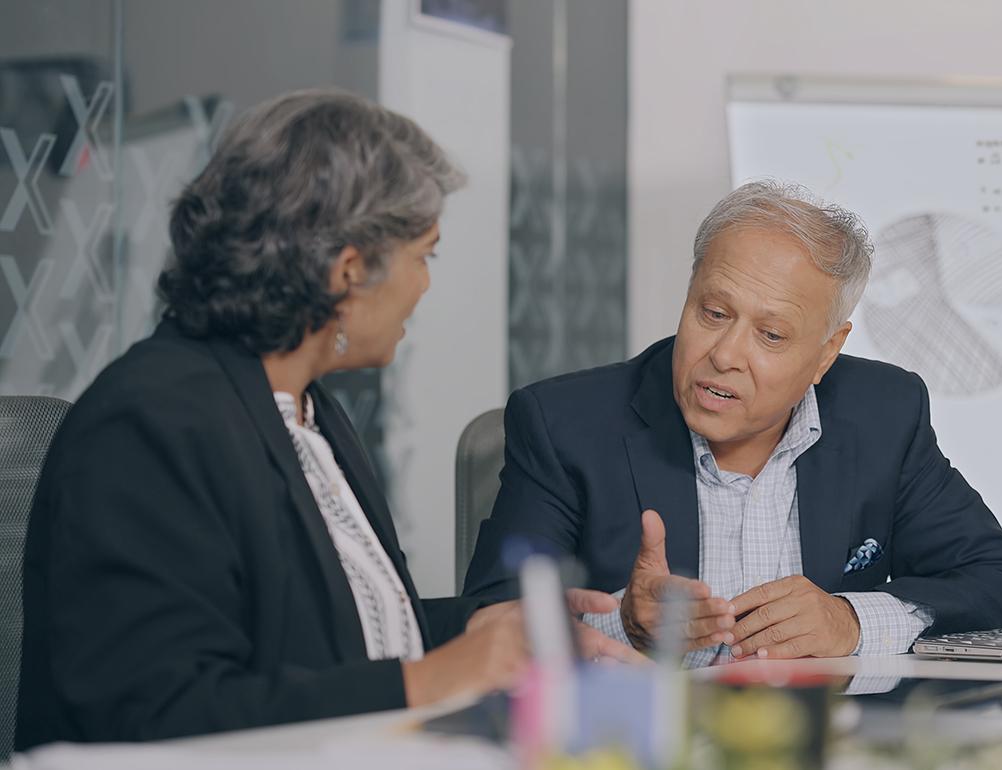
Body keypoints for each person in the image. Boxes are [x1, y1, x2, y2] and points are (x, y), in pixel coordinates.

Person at [15, 89, 635, 749]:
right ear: (348, 271)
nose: (426, 284)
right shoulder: (147, 425)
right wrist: (431, 680)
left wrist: (487, 626)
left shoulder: (308, 412)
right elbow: (158, 714)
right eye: (424, 255)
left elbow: (334, 640)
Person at [464, 181, 1002, 665]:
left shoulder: (883, 414)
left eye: (770, 335)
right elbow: (483, 624)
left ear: (826, 353)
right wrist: (624, 626)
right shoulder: (566, 424)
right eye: (713, 313)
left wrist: (849, 619)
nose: (724, 354)